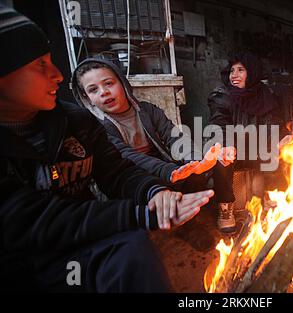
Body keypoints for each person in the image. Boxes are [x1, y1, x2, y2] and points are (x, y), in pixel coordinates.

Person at [0, 6, 213, 292]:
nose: (57, 75)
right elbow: (28, 220)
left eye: (109, 84)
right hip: (25, 262)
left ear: (123, 85)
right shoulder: (102, 123)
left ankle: (192, 217)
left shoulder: (80, 120)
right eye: (39, 64)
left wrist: (171, 178)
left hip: (85, 240)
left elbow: (119, 170)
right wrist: (152, 197)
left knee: (134, 248)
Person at [71, 58, 236, 192]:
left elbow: (175, 138)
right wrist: (169, 171)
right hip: (132, 178)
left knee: (209, 167)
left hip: (165, 168)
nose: (103, 92)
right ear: (87, 99)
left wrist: (197, 162)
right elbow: (129, 156)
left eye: (109, 83)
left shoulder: (147, 110)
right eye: (93, 90)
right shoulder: (97, 127)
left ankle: (208, 216)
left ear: (122, 83)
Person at [207, 52, 290, 233]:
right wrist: (226, 144)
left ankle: (270, 199)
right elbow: (219, 123)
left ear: (252, 73)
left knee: (278, 153)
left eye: (240, 70)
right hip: (232, 148)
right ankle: (226, 208)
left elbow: (274, 124)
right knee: (220, 158)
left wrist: (284, 137)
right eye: (232, 71)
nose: (234, 75)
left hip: (255, 148)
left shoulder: (265, 95)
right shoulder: (222, 95)